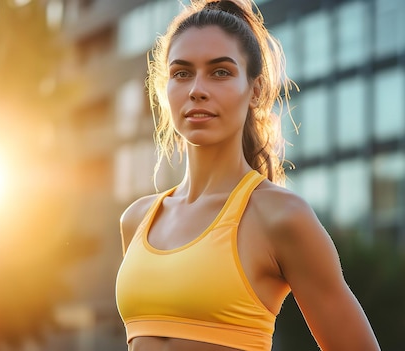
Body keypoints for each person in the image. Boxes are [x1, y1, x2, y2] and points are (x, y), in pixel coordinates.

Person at [115, 0, 380, 350]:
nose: (197, 88)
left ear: (255, 91)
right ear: (166, 91)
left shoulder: (280, 216)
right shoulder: (136, 220)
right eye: (182, 73)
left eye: (220, 71)